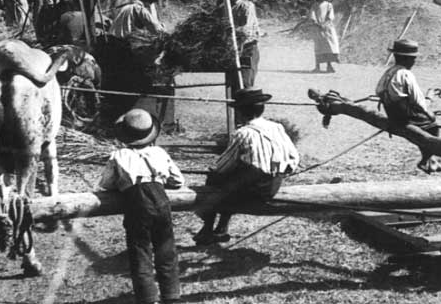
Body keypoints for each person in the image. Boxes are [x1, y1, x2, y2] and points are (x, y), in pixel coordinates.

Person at [193, 87, 299, 245]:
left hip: (253, 189)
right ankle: (221, 228)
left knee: (216, 180)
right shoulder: (277, 127)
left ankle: (208, 228)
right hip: (273, 185)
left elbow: (225, 163)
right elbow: (294, 157)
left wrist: (215, 171)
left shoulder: (244, 133)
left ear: (241, 112)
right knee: (237, 178)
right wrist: (278, 169)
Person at [98, 109, 183, 304]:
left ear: (125, 134)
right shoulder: (159, 152)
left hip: (136, 203)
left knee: (140, 252)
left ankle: (148, 299)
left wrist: (123, 183)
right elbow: (178, 180)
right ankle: (171, 296)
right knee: (166, 250)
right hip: (161, 201)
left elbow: (106, 184)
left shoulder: (118, 156)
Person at [375, 39, 441, 173]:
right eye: (413, 59)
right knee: (432, 125)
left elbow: (378, 91)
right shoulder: (406, 74)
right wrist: (429, 101)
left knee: (424, 125)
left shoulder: (389, 72)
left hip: (391, 112)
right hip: (404, 115)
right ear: (407, 59)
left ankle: (431, 160)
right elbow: (418, 101)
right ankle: (426, 160)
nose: (414, 62)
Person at [229, 0, 260, 89]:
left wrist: (230, 30)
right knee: (233, 84)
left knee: (245, 84)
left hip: (247, 49)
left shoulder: (246, 6)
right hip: (232, 50)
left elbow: (246, 30)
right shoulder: (224, 8)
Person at [308, 0, 340, 73]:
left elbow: (330, 16)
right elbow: (312, 16)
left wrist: (325, 24)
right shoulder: (314, 5)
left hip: (327, 28)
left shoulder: (329, 5)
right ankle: (317, 66)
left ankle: (329, 66)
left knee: (329, 46)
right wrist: (316, 23)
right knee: (318, 46)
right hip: (317, 28)